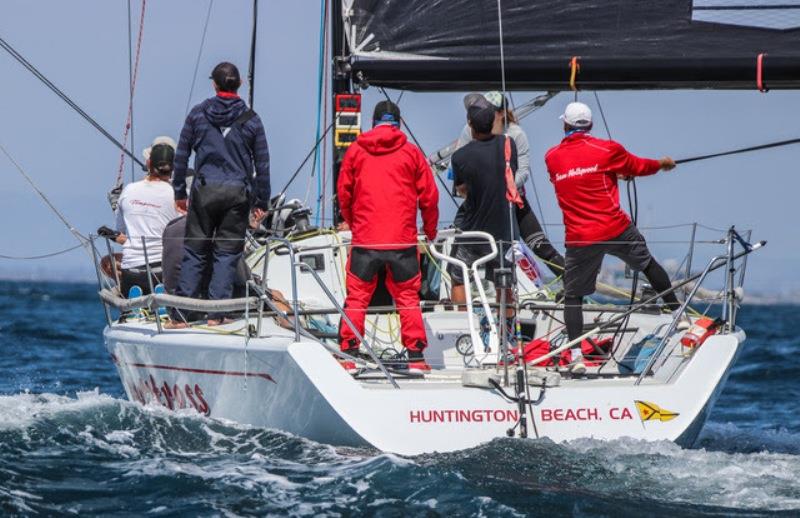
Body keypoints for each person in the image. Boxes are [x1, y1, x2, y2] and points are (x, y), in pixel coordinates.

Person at [544, 101, 682, 374]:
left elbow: (572, 179)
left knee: (573, 296)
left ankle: (574, 355)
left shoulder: (552, 156)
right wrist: (663, 164)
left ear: (565, 125)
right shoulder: (608, 150)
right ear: (590, 125)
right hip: (614, 228)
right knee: (648, 265)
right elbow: (639, 166)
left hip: (580, 236)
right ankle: (679, 315)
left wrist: (612, 172)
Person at [337, 100, 439, 373]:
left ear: (373, 123)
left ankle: (349, 354)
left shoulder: (356, 151)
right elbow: (429, 197)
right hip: (402, 241)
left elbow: (344, 193)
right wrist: (430, 232)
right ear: (399, 123)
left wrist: (352, 221)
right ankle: (416, 358)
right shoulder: (411, 153)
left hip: (366, 239)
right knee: (407, 298)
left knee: (357, 297)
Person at [169, 62, 270, 327]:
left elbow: (181, 156)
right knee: (226, 254)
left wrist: (179, 191)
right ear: (239, 85)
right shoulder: (252, 119)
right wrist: (262, 201)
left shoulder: (197, 114)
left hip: (203, 193)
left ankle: (180, 316)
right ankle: (216, 316)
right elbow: (263, 164)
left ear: (214, 84)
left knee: (195, 252)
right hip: (237, 195)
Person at [455, 92, 565, 276]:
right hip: (481, 202)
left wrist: (502, 186)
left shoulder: (515, 134)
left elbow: (523, 171)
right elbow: (459, 164)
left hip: (513, 200)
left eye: (490, 110)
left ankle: (573, 290)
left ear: (501, 113)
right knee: (462, 246)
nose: (485, 113)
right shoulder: (469, 131)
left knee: (540, 246)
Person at [449, 97, 519, 317]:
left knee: (458, 274)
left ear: (470, 124)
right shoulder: (509, 145)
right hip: (502, 230)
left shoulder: (460, 156)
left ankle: (461, 324)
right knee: (503, 282)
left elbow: (462, 190)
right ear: (493, 121)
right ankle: (505, 329)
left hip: (473, 230)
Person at [106, 137, 181, 298]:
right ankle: (162, 296)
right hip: (163, 270)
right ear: (173, 168)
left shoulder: (128, 190)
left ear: (148, 164)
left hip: (131, 272)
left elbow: (121, 232)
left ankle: (137, 297)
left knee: (109, 263)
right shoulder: (176, 194)